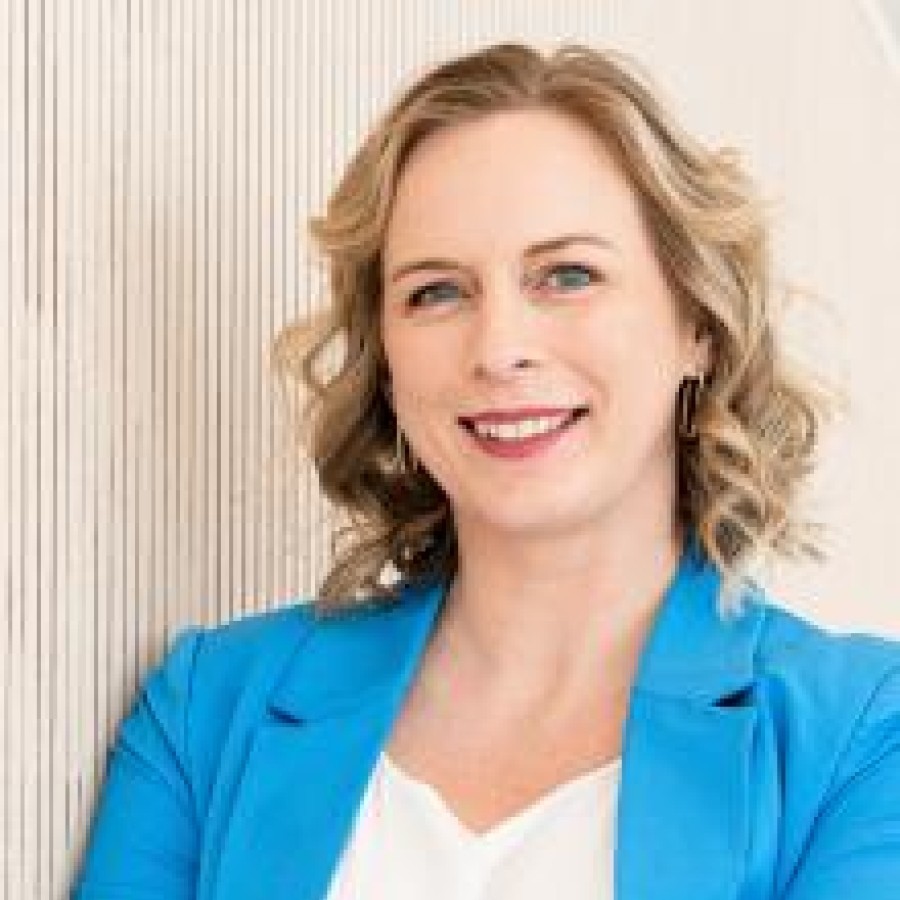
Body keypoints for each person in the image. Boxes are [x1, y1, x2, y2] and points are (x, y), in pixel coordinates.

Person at [72, 41, 900, 899]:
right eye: (436, 292)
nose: (499, 348)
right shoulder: (210, 710)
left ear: (697, 322)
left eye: (567, 275)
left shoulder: (862, 740)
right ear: (387, 358)